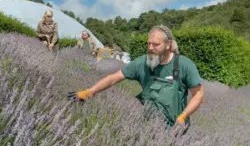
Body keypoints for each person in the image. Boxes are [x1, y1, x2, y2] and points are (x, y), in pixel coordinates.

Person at [68, 25, 204, 128]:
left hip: (175, 129)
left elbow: (198, 95)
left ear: (168, 44)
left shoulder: (184, 65)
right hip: (146, 126)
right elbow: (114, 77)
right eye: (149, 43)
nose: (150, 47)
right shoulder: (143, 62)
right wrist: (90, 91)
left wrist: (183, 116)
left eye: (156, 44)